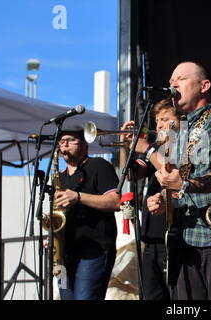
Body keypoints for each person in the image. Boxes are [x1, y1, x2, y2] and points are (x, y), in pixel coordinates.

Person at [146, 61, 211, 300]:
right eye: (171, 81)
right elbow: (183, 179)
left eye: (180, 79)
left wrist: (181, 185)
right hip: (187, 238)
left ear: (204, 86)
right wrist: (163, 198)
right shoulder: (182, 129)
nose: (172, 84)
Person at [119, 98, 182, 300]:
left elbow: (172, 171)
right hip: (149, 238)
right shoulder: (156, 148)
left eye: (165, 119)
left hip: (173, 237)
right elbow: (130, 174)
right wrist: (125, 146)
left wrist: (147, 148)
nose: (160, 125)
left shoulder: (184, 147)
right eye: (157, 121)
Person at [54, 124, 120, 300]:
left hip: (93, 251)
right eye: (61, 142)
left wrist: (78, 197)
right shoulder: (59, 177)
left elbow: (115, 201)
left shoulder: (99, 165)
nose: (64, 145)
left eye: (70, 140)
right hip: (64, 254)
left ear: (85, 144)